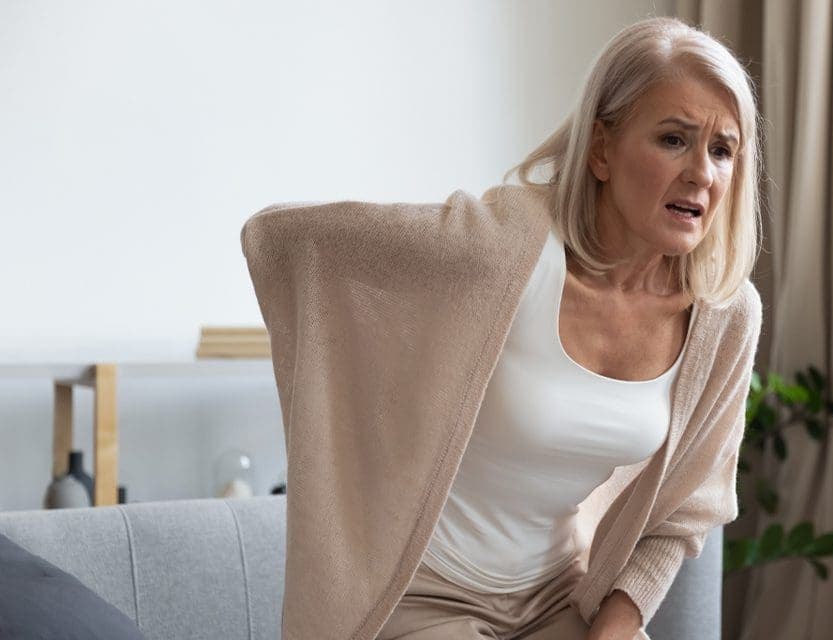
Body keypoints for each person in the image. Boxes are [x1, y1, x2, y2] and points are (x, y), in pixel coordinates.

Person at [240, 15, 763, 640]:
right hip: (424, 594)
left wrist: (612, 630)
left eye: (723, 149)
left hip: (559, 599)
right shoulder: (504, 254)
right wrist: (362, 444)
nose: (702, 173)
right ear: (600, 149)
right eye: (674, 139)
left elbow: (682, 514)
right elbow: (282, 240)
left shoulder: (725, 317)